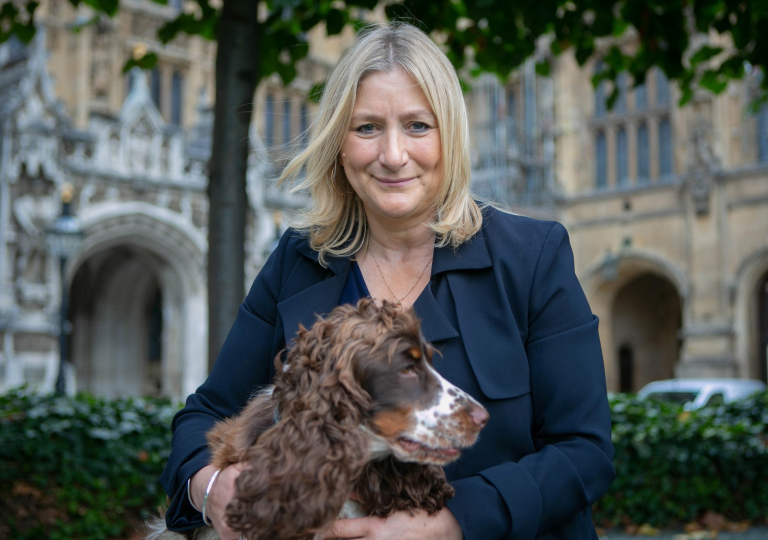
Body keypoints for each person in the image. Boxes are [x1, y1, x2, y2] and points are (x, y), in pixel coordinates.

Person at [160, 22, 615, 540]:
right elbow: (206, 415)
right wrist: (211, 484)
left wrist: (447, 524)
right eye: (367, 128)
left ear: (450, 136)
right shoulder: (298, 258)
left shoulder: (532, 256)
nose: (393, 155)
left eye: (418, 126)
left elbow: (585, 453)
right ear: (338, 142)